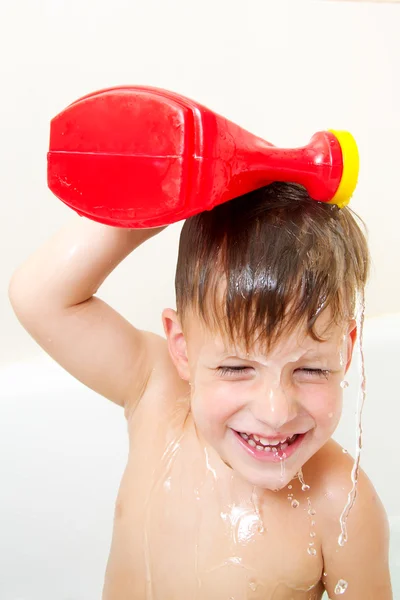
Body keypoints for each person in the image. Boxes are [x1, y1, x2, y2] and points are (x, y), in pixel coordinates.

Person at [9, 181, 392, 599]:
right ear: (183, 349)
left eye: (312, 370)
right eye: (236, 368)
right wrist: (162, 196)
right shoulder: (156, 393)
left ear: (346, 350)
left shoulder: (343, 506)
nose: (275, 411)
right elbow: (40, 298)